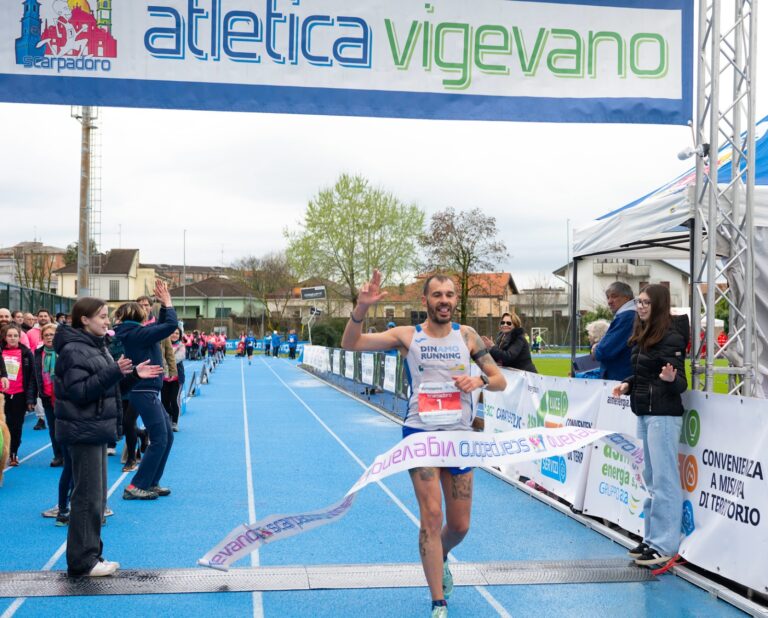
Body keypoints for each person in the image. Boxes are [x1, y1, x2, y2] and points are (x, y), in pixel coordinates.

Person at [342, 270, 506, 618]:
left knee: (459, 525)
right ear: (425, 301)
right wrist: (361, 308)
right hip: (421, 435)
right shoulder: (407, 336)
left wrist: (477, 379)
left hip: (459, 437)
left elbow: (499, 381)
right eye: (437, 295)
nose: (444, 301)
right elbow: (351, 344)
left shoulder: (469, 336)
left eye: (449, 295)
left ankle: (440, 555)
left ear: (455, 300)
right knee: (431, 517)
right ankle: (438, 602)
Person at [53, 296, 162, 577]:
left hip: (94, 429)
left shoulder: (95, 346)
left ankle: (91, 555)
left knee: (97, 497)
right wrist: (115, 371)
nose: (106, 321)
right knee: (87, 497)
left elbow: (106, 387)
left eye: (106, 316)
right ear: (84, 320)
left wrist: (133, 375)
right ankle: (82, 561)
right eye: (101, 316)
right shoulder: (74, 350)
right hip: (83, 430)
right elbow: (81, 392)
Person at [612, 284, 689, 567]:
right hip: (645, 412)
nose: (641, 306)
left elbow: (680, 382)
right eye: (639, 302)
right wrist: (628, 384)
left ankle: (664, 544)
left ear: (658, 305)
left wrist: (671, 380)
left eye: (646, 302)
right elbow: (643, 375)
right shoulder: (644, 334)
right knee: (652, 479)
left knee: (665, 480)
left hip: (664, 416)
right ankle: (652, 538)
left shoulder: (670, 336)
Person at [114, 281, 178, 500]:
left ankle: (151, 481)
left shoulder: (137, 331)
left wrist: (162, 304)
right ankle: (136, 486)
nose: (146, 310)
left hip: (149, 391)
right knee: (160, 438)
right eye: (142, 309)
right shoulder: (134, 333)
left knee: (167, 436)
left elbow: (159, 328)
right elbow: (170, 327)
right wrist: (168, 303)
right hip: (143, 391)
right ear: (135, 315)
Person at [0, 324, 36, 466]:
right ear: (4, 337)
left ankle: (13, 452)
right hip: (2, 395)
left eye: (15, 335)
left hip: (19, 394)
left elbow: (32, 377)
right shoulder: (1, 351)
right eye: (10, 335)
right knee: (3, 425)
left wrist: (31, 398)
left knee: (16, 426)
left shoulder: (26, 353)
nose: (13, 338)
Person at [34, 323, 65, 466]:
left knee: (65, 427)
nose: (49, 337)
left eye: (52, 334)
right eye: (46, 335)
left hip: (63, 396)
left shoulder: (65, 352)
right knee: (53, 429)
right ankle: (58, 455)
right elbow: (35, 376)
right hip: (46, 396)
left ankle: (68, 455)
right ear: (42, 337)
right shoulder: (39, 353)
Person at [593, 282, 636, 380]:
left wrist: (595, 349)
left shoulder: (626, 317)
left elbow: (604, 351)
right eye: (608, 297)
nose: (609, 301)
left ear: (627, 298)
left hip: (619, 381)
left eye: (614, 296)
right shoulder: (628, 315)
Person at [162, 327, 185, 432]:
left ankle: (175, 422)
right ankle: (170, 416)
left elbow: (177, 358)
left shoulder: (181, 346)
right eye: (172, 332)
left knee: (174, 400)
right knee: (164, 402)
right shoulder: (162, 344)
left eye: (177, 333)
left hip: (176, 378)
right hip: (163, 378)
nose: (174, 335)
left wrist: (167, 356)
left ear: (179, 335)